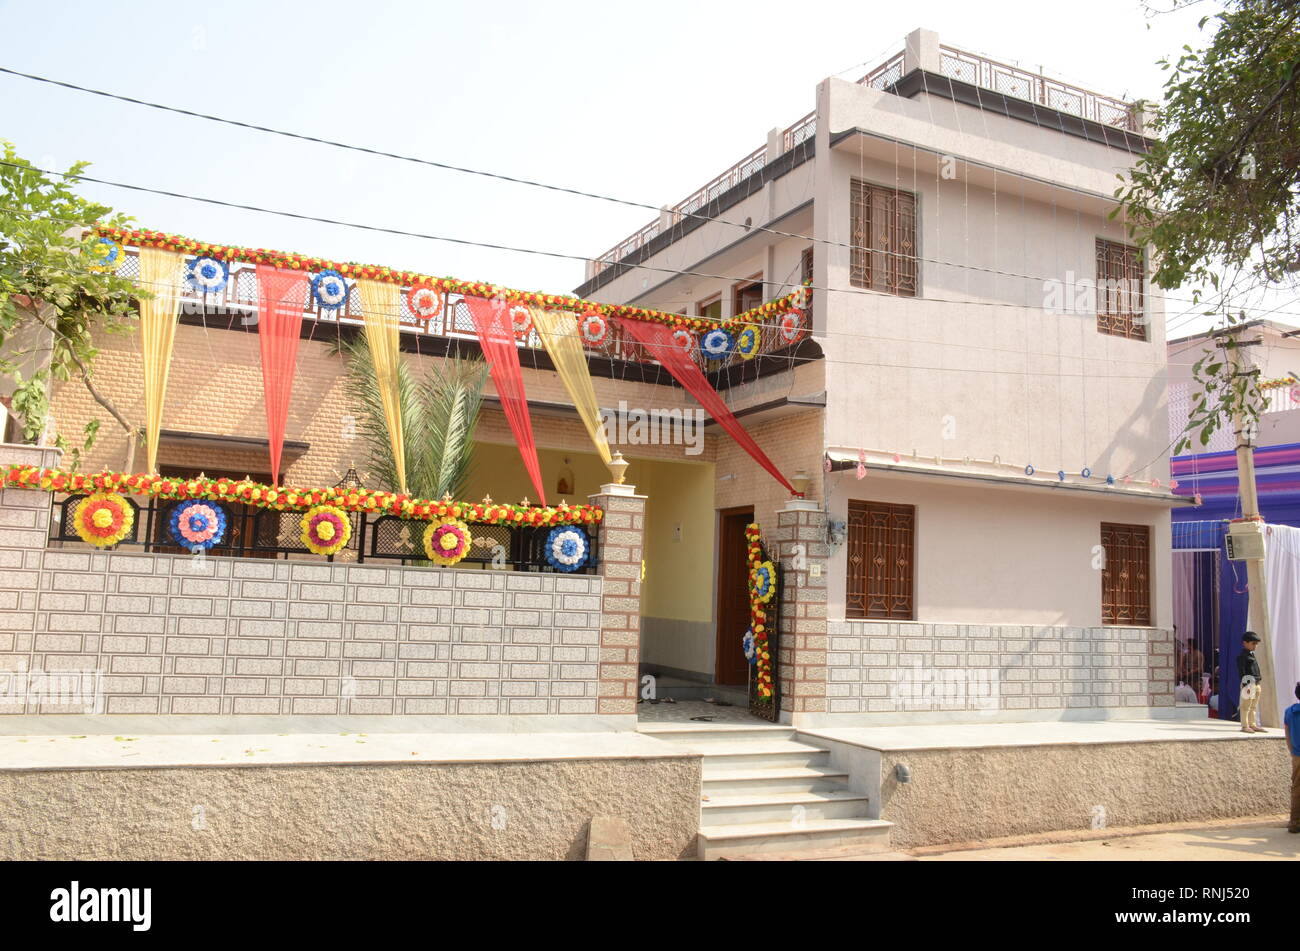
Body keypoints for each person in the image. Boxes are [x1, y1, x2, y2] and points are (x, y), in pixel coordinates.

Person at [1236, 632, 1267, 733]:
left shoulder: (1251, 655)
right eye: (1253, 643)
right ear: (1245, 643)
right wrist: (1246, 685)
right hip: (1249, 684)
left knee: (1253, 706)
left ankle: (1252, 724)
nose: (1255, 646)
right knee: (1246, 706)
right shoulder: (1243, 656)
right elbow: (1242, 672)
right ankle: (1245, 725)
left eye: (1256, 644)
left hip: (1256, 683)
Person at [1285, 683, 1300, 834]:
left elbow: (1287, 735)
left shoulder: (1289, 711)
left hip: (1296, 755)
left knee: (1296, 789)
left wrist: (1292, 752)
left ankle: (1294, 822)